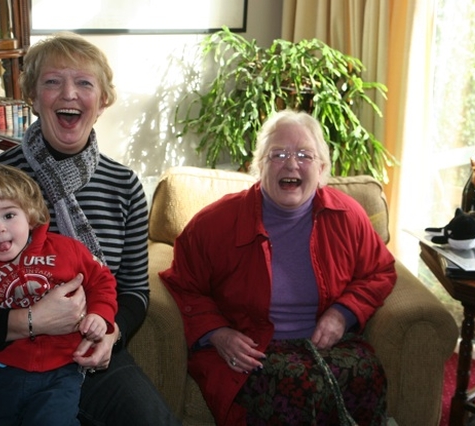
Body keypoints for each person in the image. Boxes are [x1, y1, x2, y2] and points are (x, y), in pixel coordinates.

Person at [0, 31, 181, 425]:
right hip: (4, 359)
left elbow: (134, 290)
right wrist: (32, 321)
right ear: (32, 96)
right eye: (53, 81)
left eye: (84, 83)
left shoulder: (124, 185)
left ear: (103, 100)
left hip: (89, 350)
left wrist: (110, 333)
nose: (68, 94)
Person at [160, 109, 397, 426]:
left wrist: (343, 313)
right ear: (259, 166)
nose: (291, 163)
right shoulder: (214, 223)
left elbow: (379, 272)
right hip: (254, 349)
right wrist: (217, 333)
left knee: (364, 371)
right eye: (278, 154)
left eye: (304, 154)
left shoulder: (347, 215)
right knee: (293, 386)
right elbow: (183, 285)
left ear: (322, 168)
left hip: (326, 345)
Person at [0, 162, 118, 425]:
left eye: (9, 215)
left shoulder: (66, 250)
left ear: (30, 214)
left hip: (62, 368)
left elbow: (102, 281)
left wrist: (100, 316)